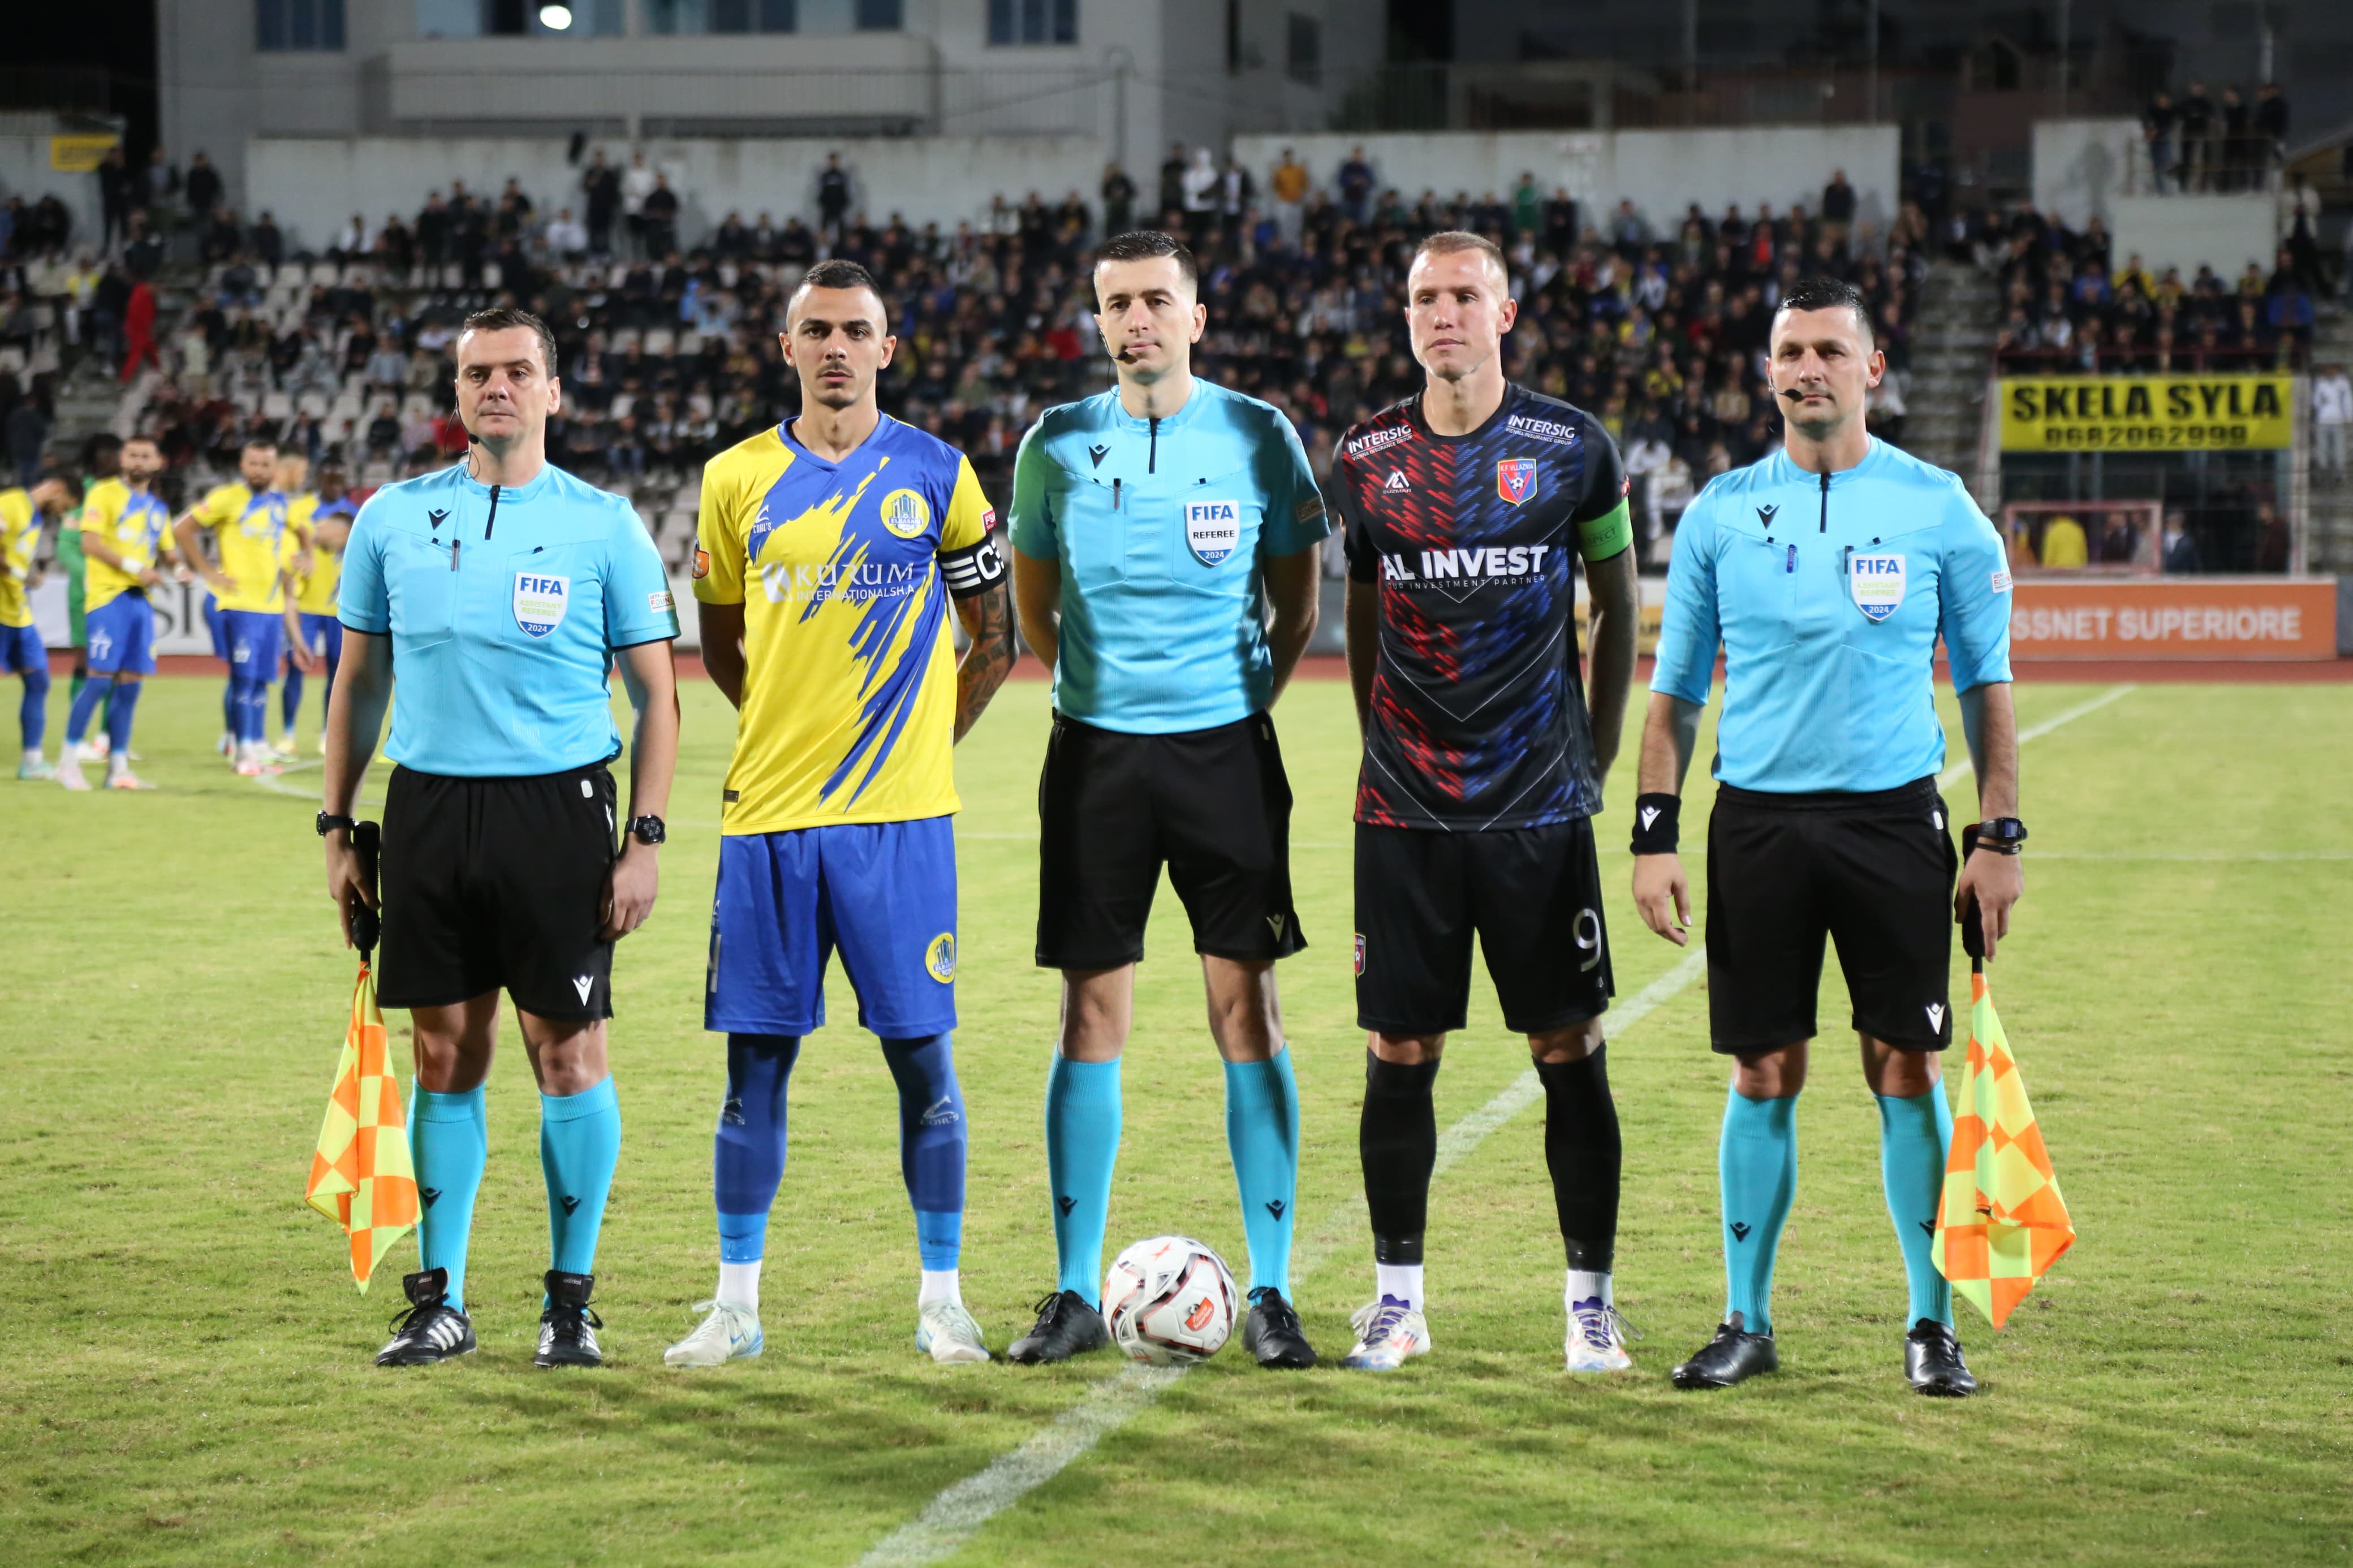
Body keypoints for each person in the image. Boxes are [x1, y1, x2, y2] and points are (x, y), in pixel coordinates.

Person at [1631, 276, 2022, 1398]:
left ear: (1871, 369)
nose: (1809, 370)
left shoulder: (1937, 504)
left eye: (1828, 352)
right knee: (1763, 1067)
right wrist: (1653, 834)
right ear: (1768, 373)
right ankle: (1745, 1320)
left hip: (1894, 819)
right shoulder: (1715, 513)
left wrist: (1998, 834)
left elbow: (1989, 688)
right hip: (1752, 821)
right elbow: (1672, 701)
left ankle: (1927, 1325)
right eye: (1790, 352)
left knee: (1905, 1061)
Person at [665, 258, 1018, 1372]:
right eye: (813, 330)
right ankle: (733, 1307)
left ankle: (943, 1303)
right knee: (753, 1071)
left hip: (902, 825)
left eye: (853, 331)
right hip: (768, 819)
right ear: (784, 347)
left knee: (924, 1065)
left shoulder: (942, 474)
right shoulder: (732, 480)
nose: (833, 348)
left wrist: (915, 744)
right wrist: (786, 726)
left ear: (886, 347)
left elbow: (995, 638)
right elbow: (722, 645)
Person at [324, 305, 680, 1370]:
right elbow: (359, 681)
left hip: (558, 815)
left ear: (553, 392)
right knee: (444, 1056)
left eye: (519, 372)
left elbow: (658, 696)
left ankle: (569, 1305)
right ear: (457, 394)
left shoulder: (603, 522)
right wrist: (340, 828)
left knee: (567, 1054)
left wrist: (645, 837)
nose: (498, 388)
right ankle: (441, 1299)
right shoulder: (390, 517)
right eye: (479, 373)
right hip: (430, 810)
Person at [1006, 230, 1329, 1370]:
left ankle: (1276, 1292)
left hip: (1225, 757)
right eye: (1114, 305)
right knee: (1089, 1014)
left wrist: (1234, 698)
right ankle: (1069, 1291)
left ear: (1195, 315)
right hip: (1094, 756)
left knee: (1247, 1010)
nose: (1135, 321)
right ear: (1096, 321)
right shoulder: (1055, 446)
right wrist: (1109, 693)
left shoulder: (1254, 435)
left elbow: (1296, 601)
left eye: (1155, 301)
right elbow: (1035, 614)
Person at [1325, 231, 1643, 1374]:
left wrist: (1592, 758)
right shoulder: (1363, 458)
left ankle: (1589, 1306)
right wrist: (1383, 742)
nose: (1443, 314)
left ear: (1504, 312)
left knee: (1567, 1042)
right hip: (1404, 807)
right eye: (1425, 297)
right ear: (1405, 316)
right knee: (1399, 1043)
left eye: (1465, 294)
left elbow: (1613, 609)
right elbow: (1362, 608)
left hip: (1535, 806)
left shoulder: (1574, 451)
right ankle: (1397, 1302)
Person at [174, 438, 312, 775]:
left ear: (274, 468)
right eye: (253, 463)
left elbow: (304, 531)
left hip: (271, 607)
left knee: (262, 680)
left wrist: (307, 554)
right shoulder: (227, 498)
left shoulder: (281, 503)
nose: (259, 470)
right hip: (239, 604)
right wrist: (207, 572)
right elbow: (182, 529)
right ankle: (242, 752)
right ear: (242, 466)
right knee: (244, 681)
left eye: (266, 464)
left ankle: (255, 746)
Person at [59, 436, 186, 792]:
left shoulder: (158, 508)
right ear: (122, 459)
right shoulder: (103, 493)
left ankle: (117, 769)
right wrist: (136, 567)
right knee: (99, 679)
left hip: (138, 603)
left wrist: (180, 571)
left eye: (146, 456)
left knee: (131, 686)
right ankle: (67, 762)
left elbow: (169, 552)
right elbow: (90, 544)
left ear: (158, 461)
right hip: (107, 598)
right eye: (132, 455)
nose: (138, 461)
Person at [281, 457, 356, 754]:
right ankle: (288, 733)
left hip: (340, 609)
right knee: (297, 667)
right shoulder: (303, 509)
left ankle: (328, 733)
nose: (333, 483)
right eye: (328, 477)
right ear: (320, 478)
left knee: (337, 673)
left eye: (339, 478)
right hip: (306, 603)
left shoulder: (356, 514)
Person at [2, 475, 71, 779]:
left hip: (19, 612)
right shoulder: (12, 502)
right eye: (65, 505)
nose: (63, 513)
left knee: (39, 681)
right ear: (56, 489)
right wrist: (21, 573)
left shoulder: (33, 518)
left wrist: (29, 574)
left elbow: (14, 555)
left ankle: (32, 761)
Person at [2312, 362, 2350, 480]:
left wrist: (2349, 417)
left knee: (2340, 448)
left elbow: (2348, 400)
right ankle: (2323, 471)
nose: (2330, 372)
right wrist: (2321, 402)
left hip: (2338, 420)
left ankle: (2340, 472)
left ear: (2336, 370)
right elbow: (2315, 402)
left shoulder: (2343, 383)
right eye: (2328, 369)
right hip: (2323, 420)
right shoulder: (2320, 383)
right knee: (2322, 448)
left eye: (2332, 369)